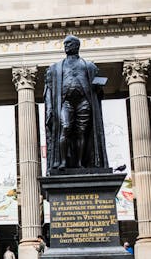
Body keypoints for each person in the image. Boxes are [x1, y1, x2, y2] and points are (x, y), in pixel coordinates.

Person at [44, 34, 108, 174]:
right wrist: (49, 108)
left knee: (81, 133)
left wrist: (98, 88)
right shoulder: (55, 68)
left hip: (83, 101)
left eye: (69, 43)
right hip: (65, 102)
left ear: (76, 45)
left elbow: (98, 91)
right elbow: (48, 90)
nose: (66, 46)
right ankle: (62, 161)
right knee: (65, 127)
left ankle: (79, 163)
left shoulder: (89, 66)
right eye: (65, 44)